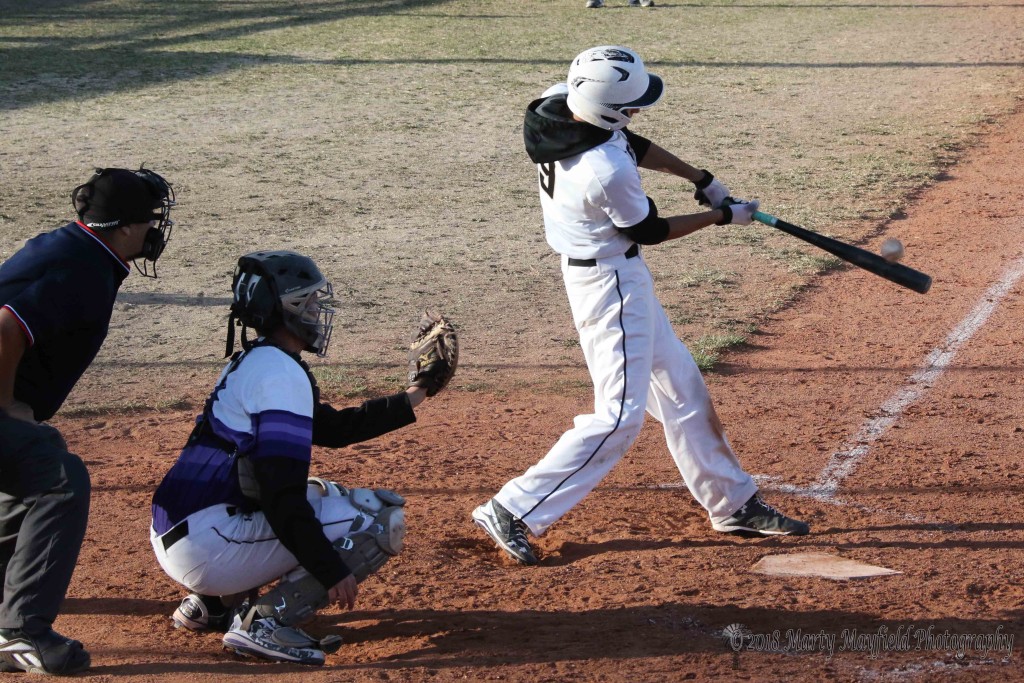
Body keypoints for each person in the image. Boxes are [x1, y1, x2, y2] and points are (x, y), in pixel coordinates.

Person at [472, 46, 809, 566]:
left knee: (681, 386)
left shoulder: (557, 105)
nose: (637, 111)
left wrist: (700, 178)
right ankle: (513, 508)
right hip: (609, 288)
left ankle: (732, 502)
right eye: (632, 105)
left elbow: (629, 139)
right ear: (611, 108)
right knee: (619, 416)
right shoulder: (604, 171)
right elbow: (649, 230)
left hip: (615, 275)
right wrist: (724, 218)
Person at [150, 250, 453, 665]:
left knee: (319, 492)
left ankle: (213, 604)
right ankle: (264, 622)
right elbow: (280, 497)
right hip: (211, 545)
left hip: (190, 531)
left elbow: (332, 429)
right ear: (285, 309)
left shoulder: (257, 360)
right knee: (378, 519)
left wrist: (420, 391)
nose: (317, 311)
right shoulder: (280, 375)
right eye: (309, 302)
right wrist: (330, 569)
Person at [0, 167, 176, 674]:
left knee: (38, 461)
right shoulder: (81, 268)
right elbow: (7, 326)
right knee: (60, 480)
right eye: (148, 221)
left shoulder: (73, 248)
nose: (153, 231)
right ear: (123, 227)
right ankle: (22, 632)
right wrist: (7, 402)